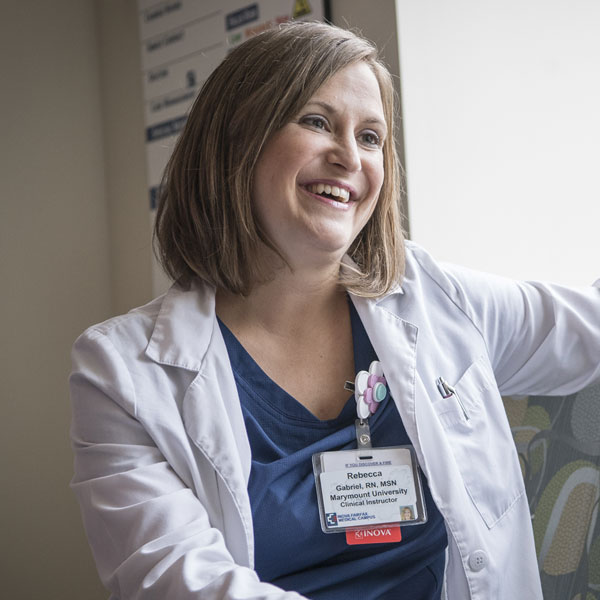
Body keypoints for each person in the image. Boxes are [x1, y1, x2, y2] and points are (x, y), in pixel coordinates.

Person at [69, 21, 600, 600]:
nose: (350, 156)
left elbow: (586, 329)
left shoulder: (433, 297)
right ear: (236, 140)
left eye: (371, 137)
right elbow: (176, 581)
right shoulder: (121, 371)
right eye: (317, 122)